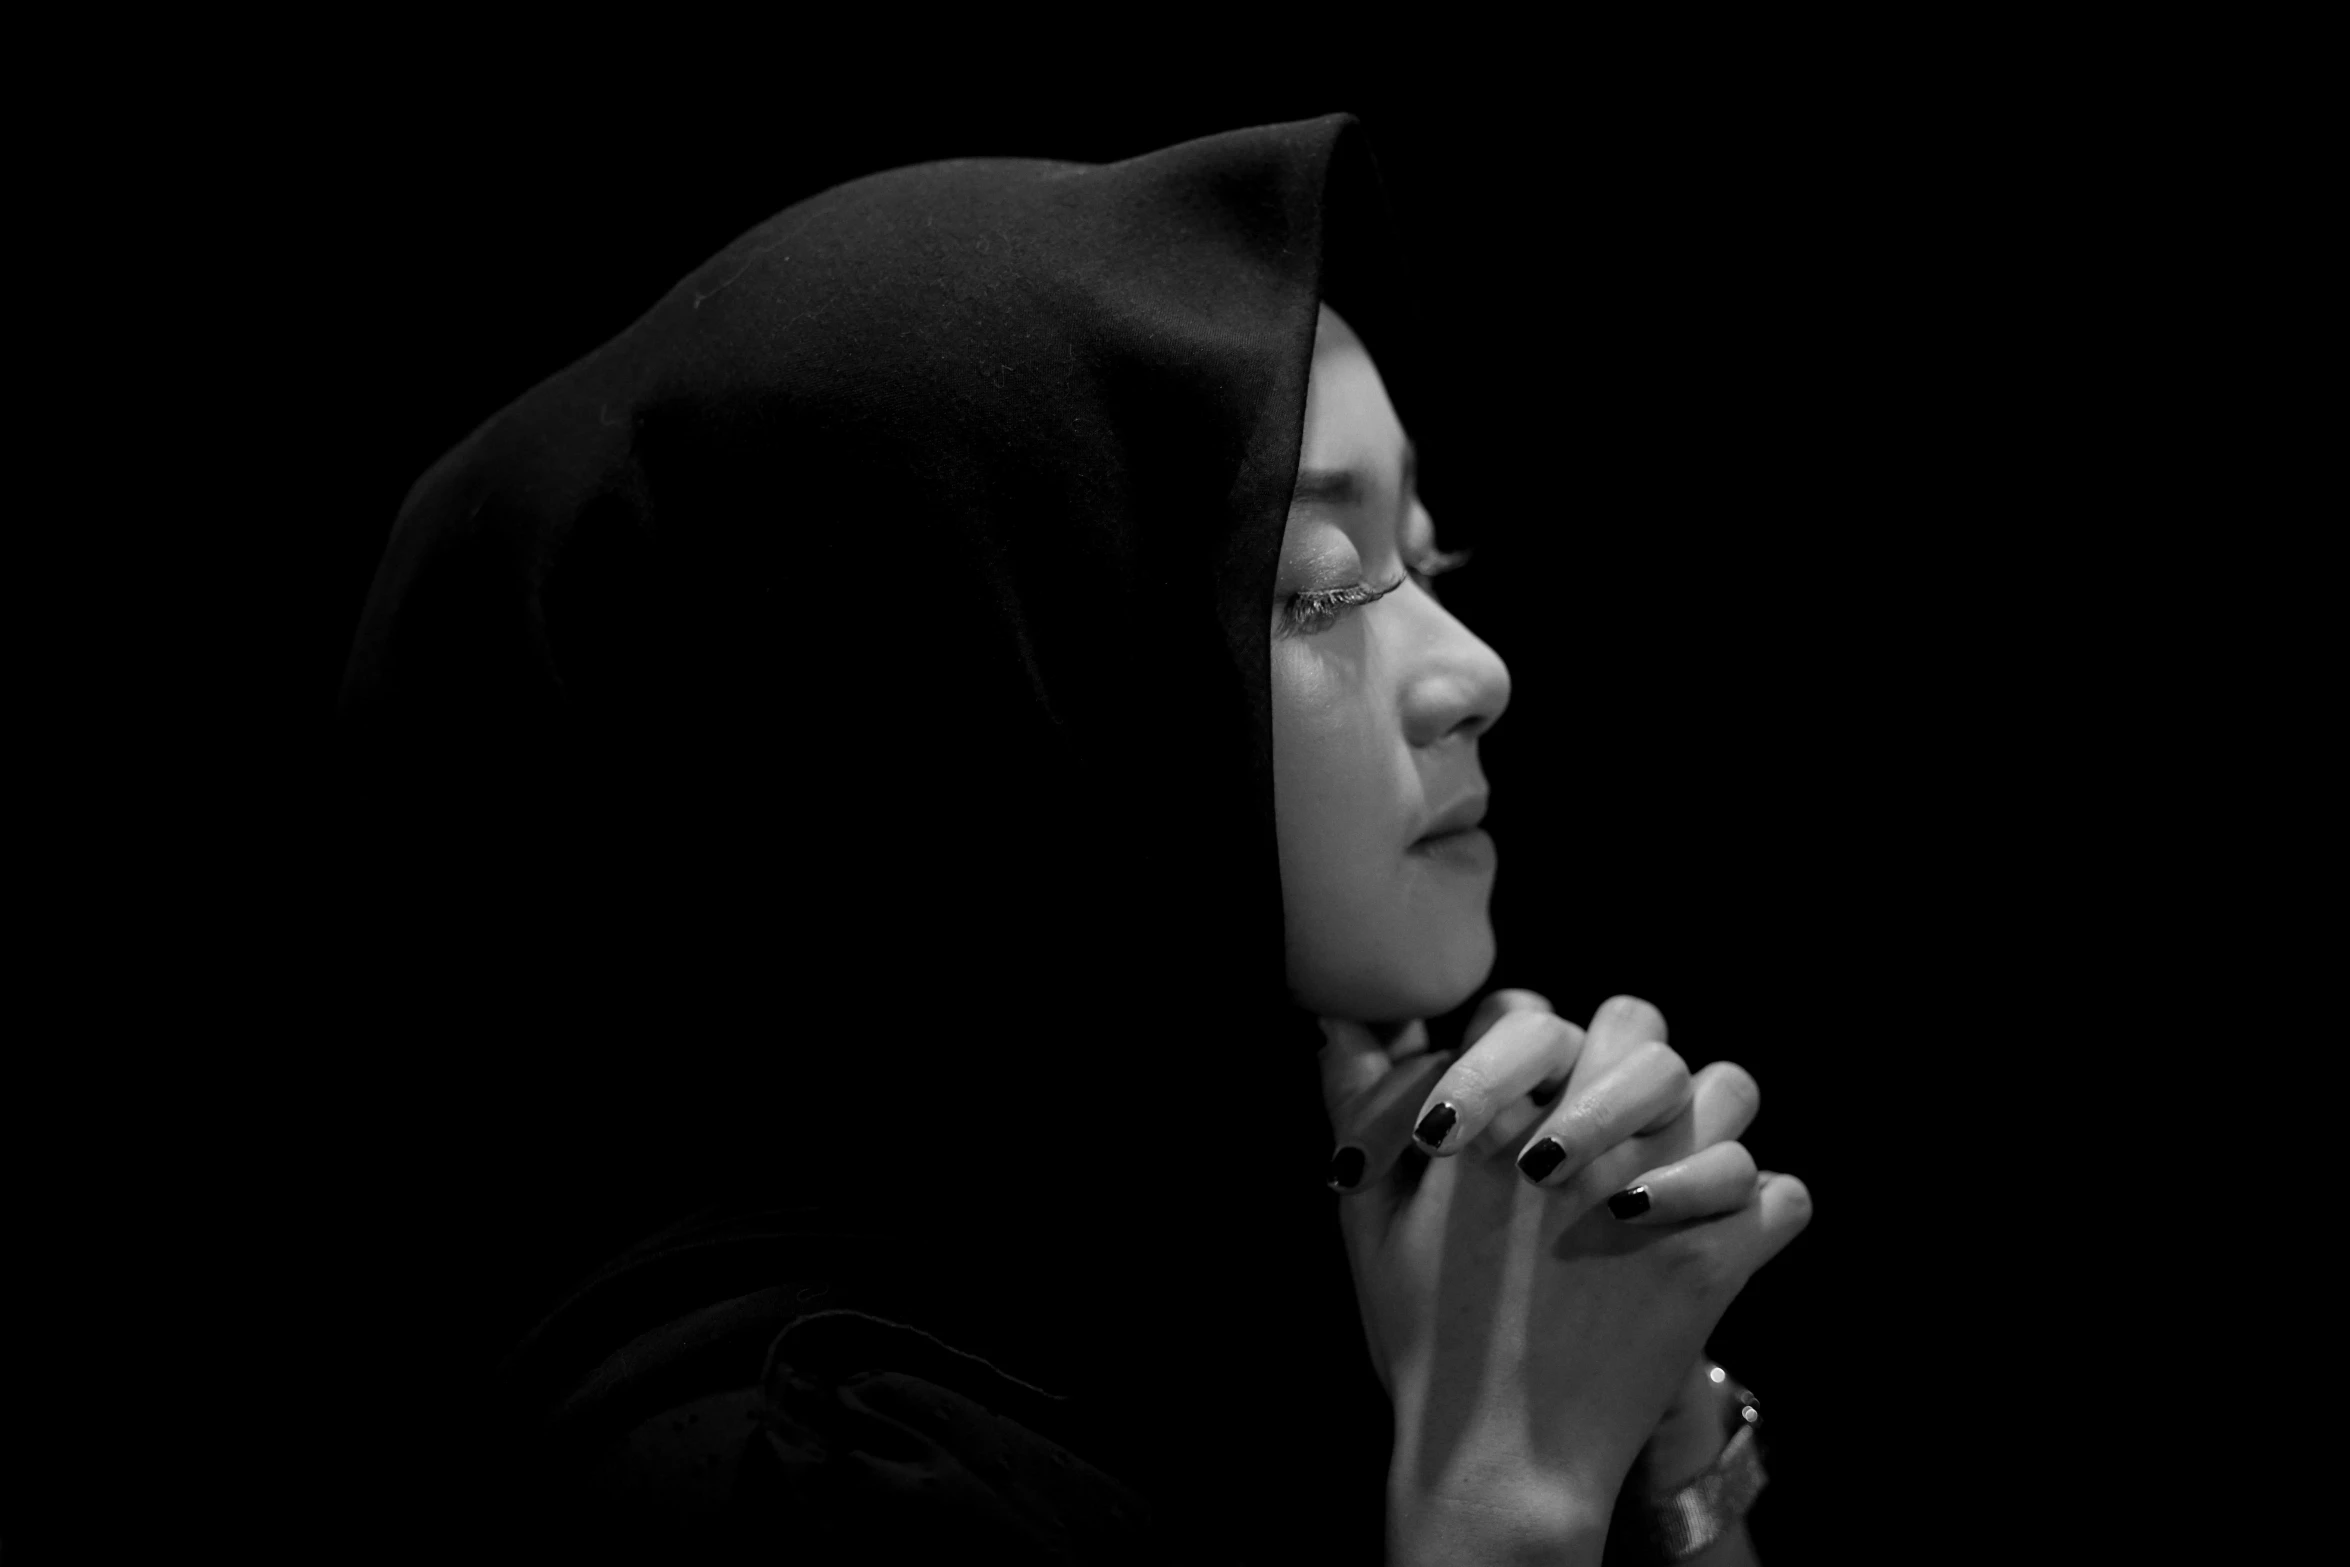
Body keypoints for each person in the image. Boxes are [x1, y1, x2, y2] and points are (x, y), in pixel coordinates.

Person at [332, 111, 1810, 1565]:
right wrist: (1510, 1495)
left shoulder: (1296, 1248)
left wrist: (1661, 1430)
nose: (1473, 674)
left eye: (1426, 559)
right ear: (955, 708)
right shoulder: (792, 1471)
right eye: (1312, 587)